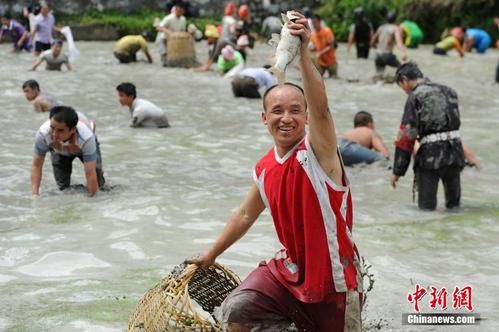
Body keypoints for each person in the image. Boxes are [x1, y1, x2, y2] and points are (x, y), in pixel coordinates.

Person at [188, 13, 363, 331]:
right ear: (263, 118)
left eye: (296, 111)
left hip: (334, 277)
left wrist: (305, 55)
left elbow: (321, 107)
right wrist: (210, 254)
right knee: (236, 312)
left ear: (307, 118)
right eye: (277, 111)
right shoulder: (265, 168)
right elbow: (244, 215)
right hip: (288, 271)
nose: (287, 118)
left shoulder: (319, 154)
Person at [391, 62, 465, 210]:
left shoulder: (415, 96)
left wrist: (397, 171)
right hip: (455, 154)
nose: (404, 90)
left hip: (431, 157)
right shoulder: (450, 91)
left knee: (426, 210)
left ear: (404, 79)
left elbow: (407, 136)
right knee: (455, 207)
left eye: (401, 85)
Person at [31, 106, 105, 196]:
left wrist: (94, 199)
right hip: (58, 150)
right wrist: (35, 196)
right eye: (52, 128)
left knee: (99, 184)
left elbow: (90, 173)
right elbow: (36, 166)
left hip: (83, 145)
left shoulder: (87, 138)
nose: (54, 134)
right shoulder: (43, 135)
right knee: (63, 189)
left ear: (73, 130)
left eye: (60, 130)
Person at [371, 10, 407, 78]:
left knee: (378, 76)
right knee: (403, 69)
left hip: (378, 55)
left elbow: (372, 42)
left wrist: (377, 48)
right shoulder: (395, 28)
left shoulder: (381, 27)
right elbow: (399, 42)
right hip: (387, 55)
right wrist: (403, 53)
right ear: (395, 19)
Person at [155, 1, 187, 66]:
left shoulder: (183, 19)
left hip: (175, 40)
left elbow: (183, 31)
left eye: (181, 10)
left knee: (175, 61)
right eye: (178, 10)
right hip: (163, 39)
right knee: (165, 62)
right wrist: (167, 31)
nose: (180, 11)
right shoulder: (169, 18)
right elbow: (158, 27)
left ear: (183, 11)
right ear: (176, 9)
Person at [310, 14, 338, 78]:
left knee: (334, 78)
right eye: (312, 23)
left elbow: (331, 46)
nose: (314, 25)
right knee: (317, 78)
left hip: (331, 61)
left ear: (319, 22)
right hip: (321, 63)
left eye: (315, 23)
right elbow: (316, 47)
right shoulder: (313, 35)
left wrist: (320, 53)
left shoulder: (327, 31)